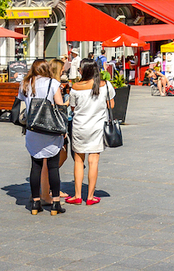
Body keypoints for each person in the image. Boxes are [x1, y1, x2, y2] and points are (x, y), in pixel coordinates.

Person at [18, 59, 67, 215]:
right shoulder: (52, 83)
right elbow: (59, 106)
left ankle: (35, 203)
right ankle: (55, 204)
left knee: (36, 166)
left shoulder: (25, 84)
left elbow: (22, 105)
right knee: (53, 167)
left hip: (33, 129)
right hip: (50, 129)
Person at [66, 60, 115, 206]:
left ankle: (77, 195)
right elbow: (111, 104)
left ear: (83, 70)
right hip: (98, 127)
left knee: (78, 161)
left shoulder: (75, 87)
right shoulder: (105, 84)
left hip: (80, 127)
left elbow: (73, 107)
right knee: (93, 162)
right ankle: (91, 196)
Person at [40, 58, 70, 204]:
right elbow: (60, 105)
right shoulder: (54, 84)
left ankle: (47, 188)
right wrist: (69, 101)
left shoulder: (47, 83)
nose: (64, 70)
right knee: (55, 159)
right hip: (55, 124)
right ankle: (49, 190)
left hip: (43, 124)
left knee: (58, 157)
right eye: (62, 68)